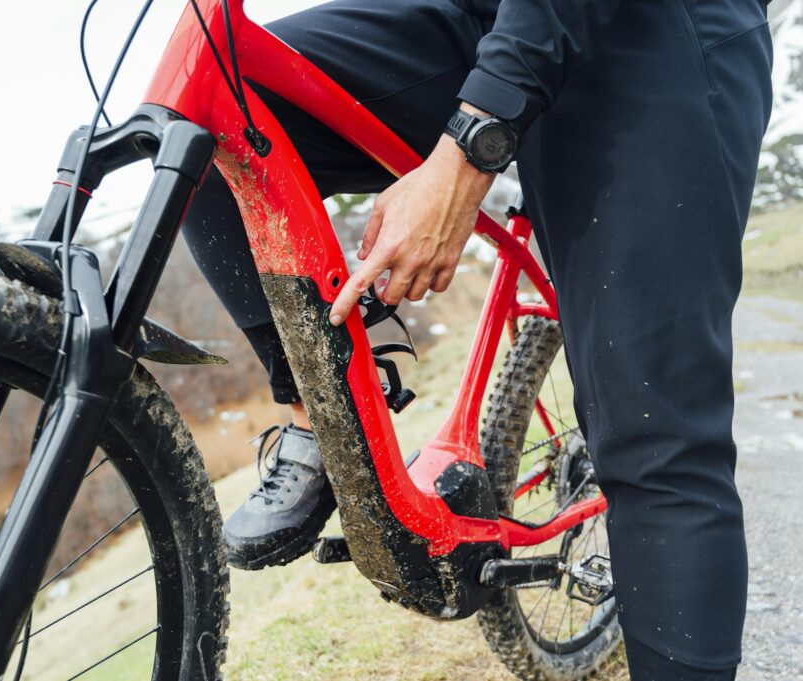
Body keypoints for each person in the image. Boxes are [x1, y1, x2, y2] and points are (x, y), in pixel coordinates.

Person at [180, 1, 773, 678]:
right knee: (216, 105)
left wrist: (470, 146)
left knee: (655, 435)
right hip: (480, 15)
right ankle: (323, 412)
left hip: (650, 26)